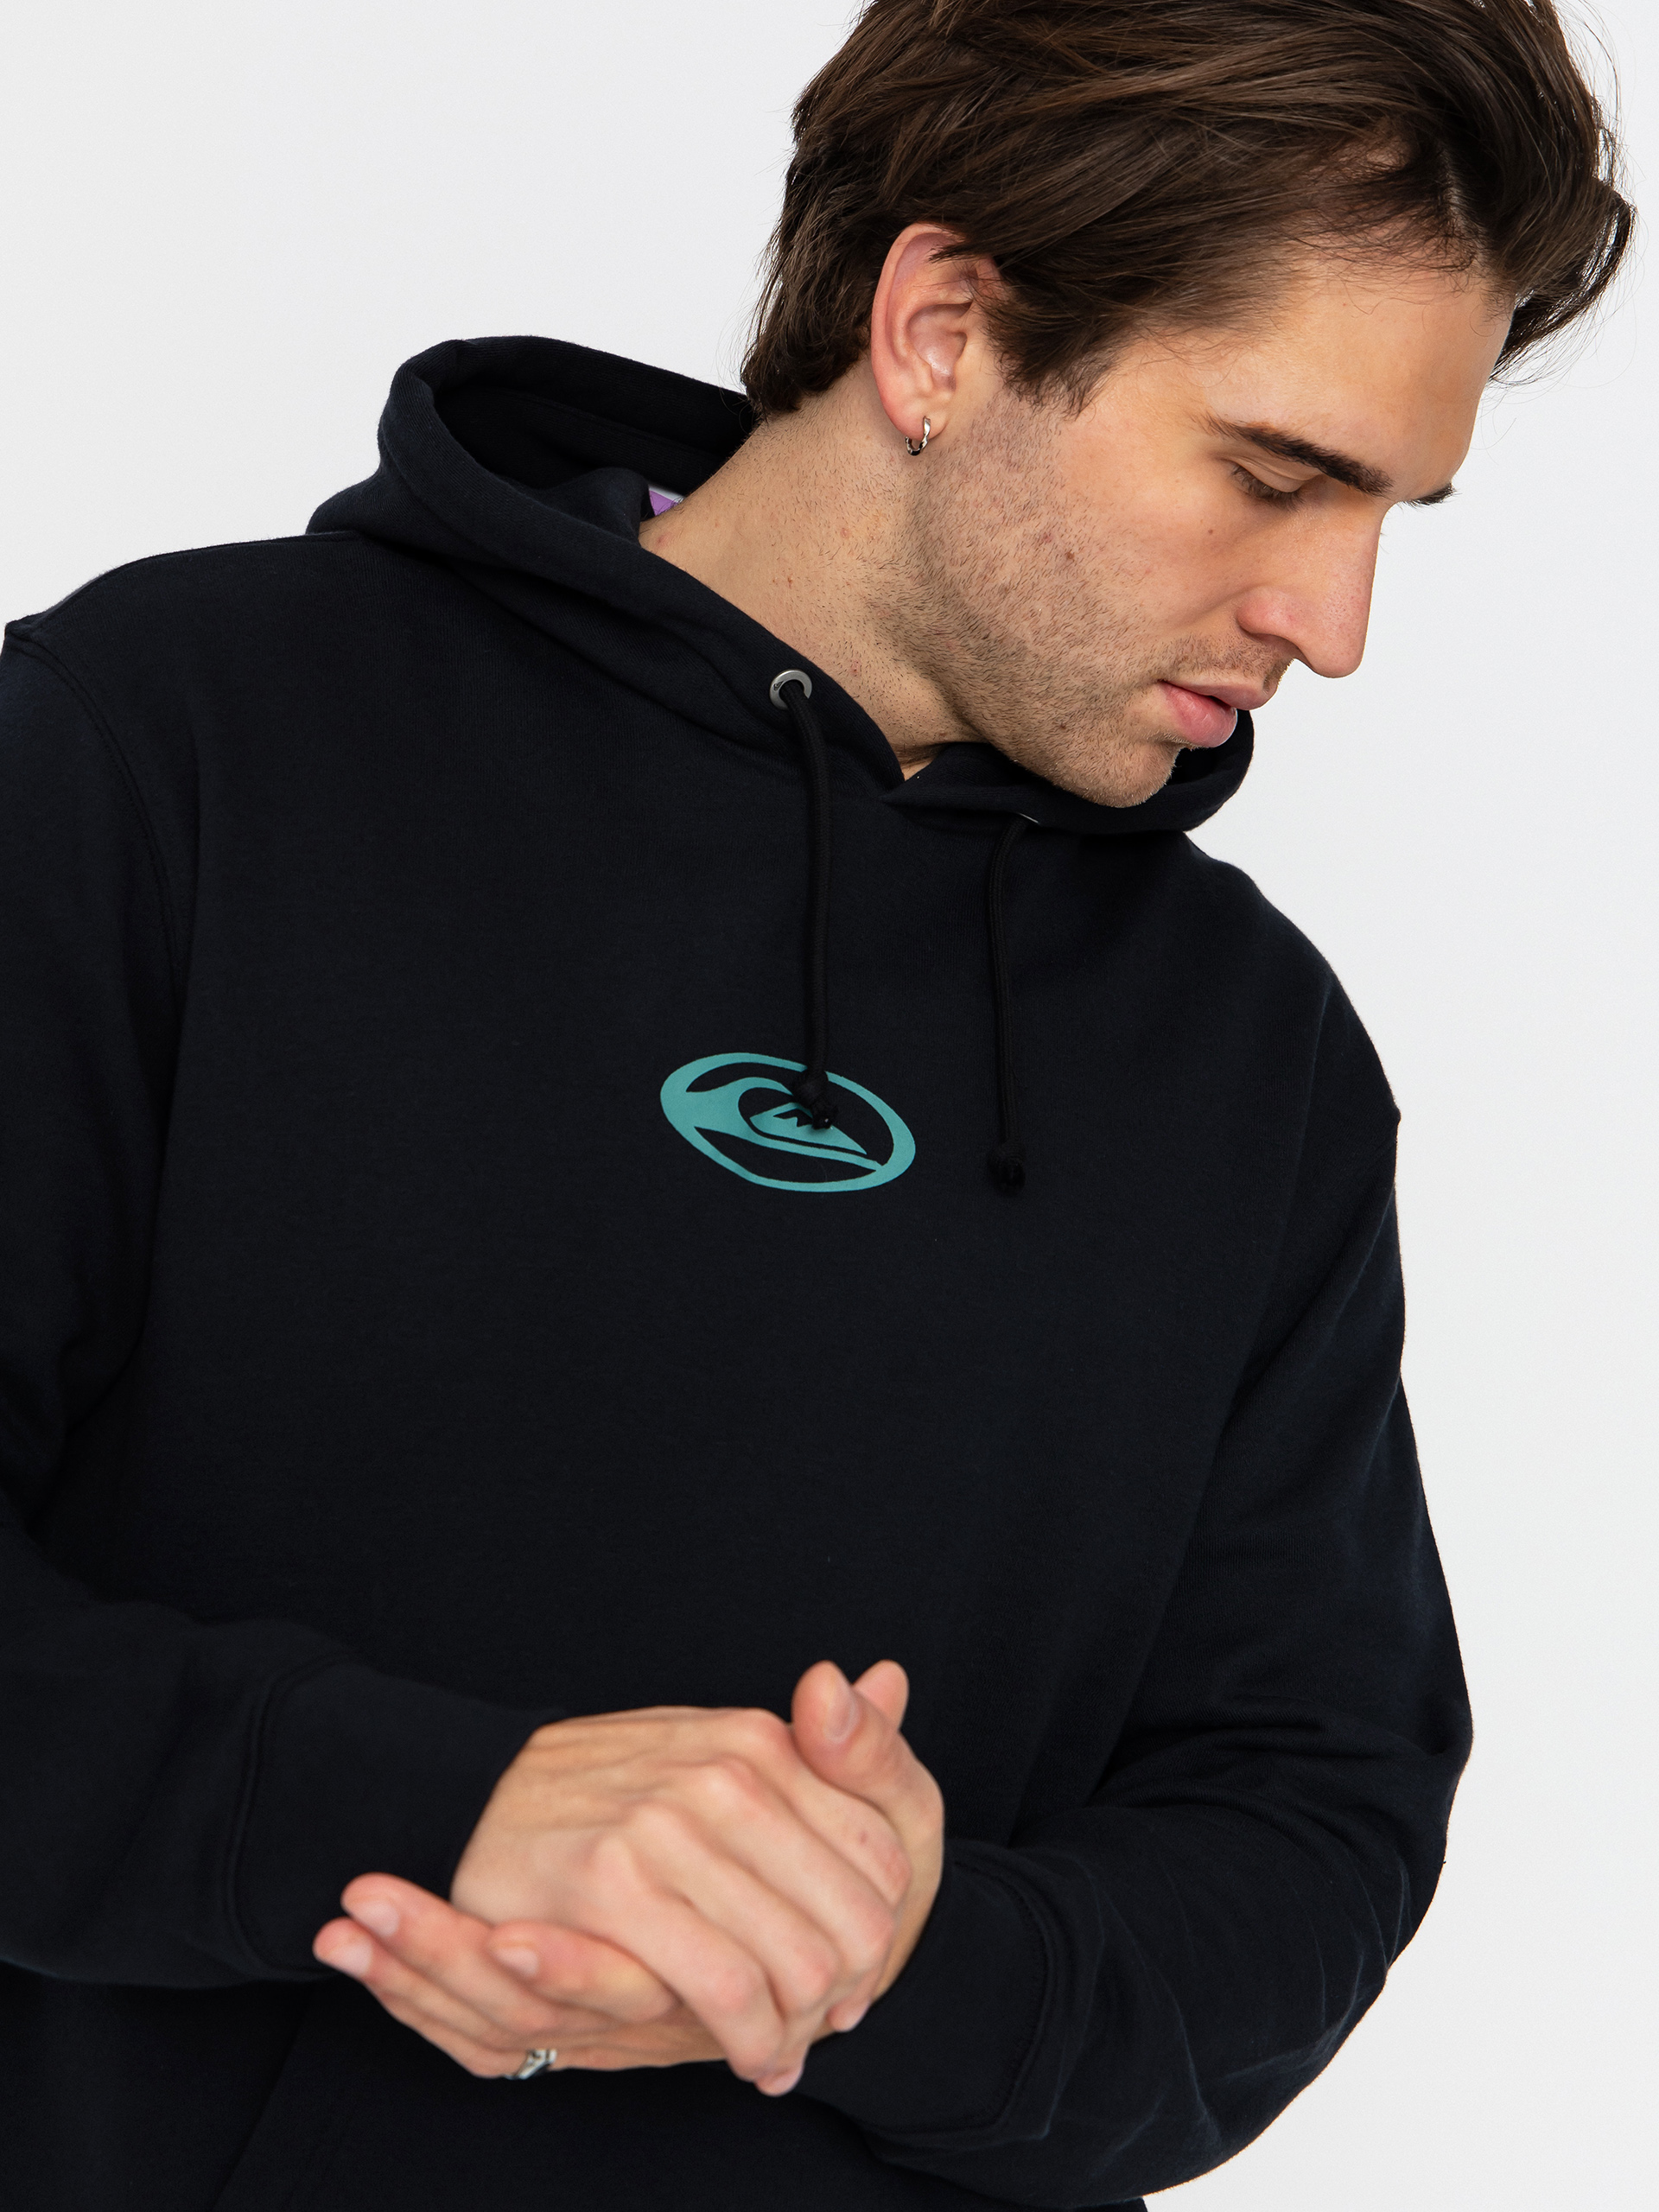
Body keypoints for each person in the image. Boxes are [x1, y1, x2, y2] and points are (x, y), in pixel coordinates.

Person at [0, 3, 1631, 2208]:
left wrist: (896, 1956)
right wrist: (430, 1810)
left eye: (1390, 510)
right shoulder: (173, 752)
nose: (1332, 623)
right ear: (943, 331)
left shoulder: (1255, 1058)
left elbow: (1308, 1827)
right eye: (1274, 473)